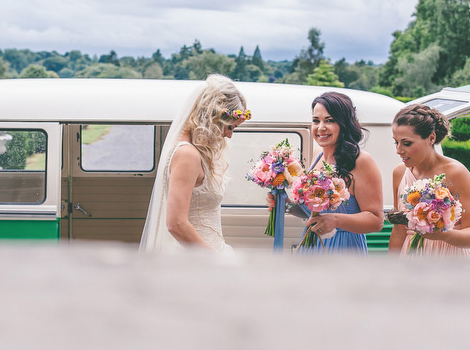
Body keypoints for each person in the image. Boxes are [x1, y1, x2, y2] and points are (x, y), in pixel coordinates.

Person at [139, 74, 250, 253]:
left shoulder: (195, 151)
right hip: (198, 259)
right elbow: (176, 223)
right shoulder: (187, 154)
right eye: (230, 127)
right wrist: (213, 260)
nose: (229, 135)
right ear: (213, 118)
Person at [269, 92, 384, 253]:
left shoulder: (362, 161)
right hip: (312, 245)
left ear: (344, 123)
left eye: (329, 120)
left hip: (344, 248)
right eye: (316, 120)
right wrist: (284, 204)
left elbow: (376, 221)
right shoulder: (318, 154)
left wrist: (336, 220)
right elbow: (312, 212)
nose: (321, 127)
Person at [389, 103, 470, 255]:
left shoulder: (456, 173)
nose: (399, 150)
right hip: (411, 257)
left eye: (407, 143)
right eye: (396, 142)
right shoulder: (399, 173)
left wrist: (444, 235)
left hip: (449, 258)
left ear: (431, 137)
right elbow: (399, 230)